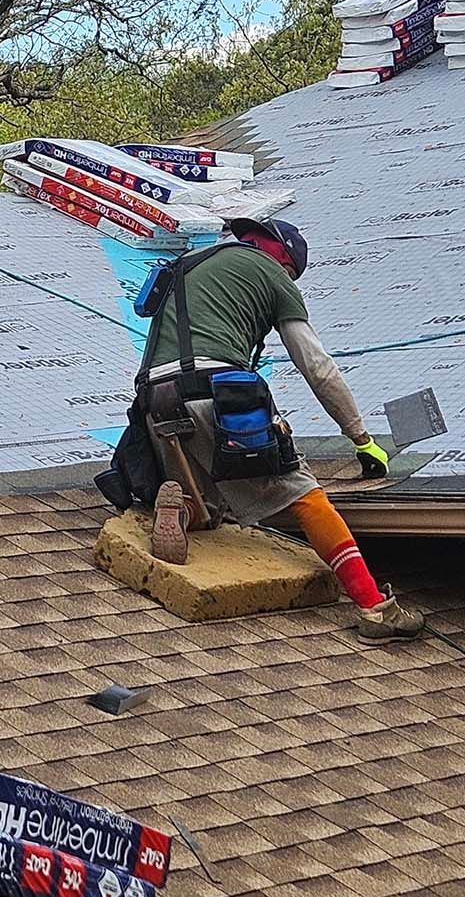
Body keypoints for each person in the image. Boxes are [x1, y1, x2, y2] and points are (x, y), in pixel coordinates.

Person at [138, 217, 426, 643]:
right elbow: (318, 368)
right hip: (217, 394)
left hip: (154, 401)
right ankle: (374, 608)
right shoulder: (274, 276)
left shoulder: (190, 262)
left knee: (215, 508)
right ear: (284, 259)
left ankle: (182, 505)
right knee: (305, 496)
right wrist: (361, 439)